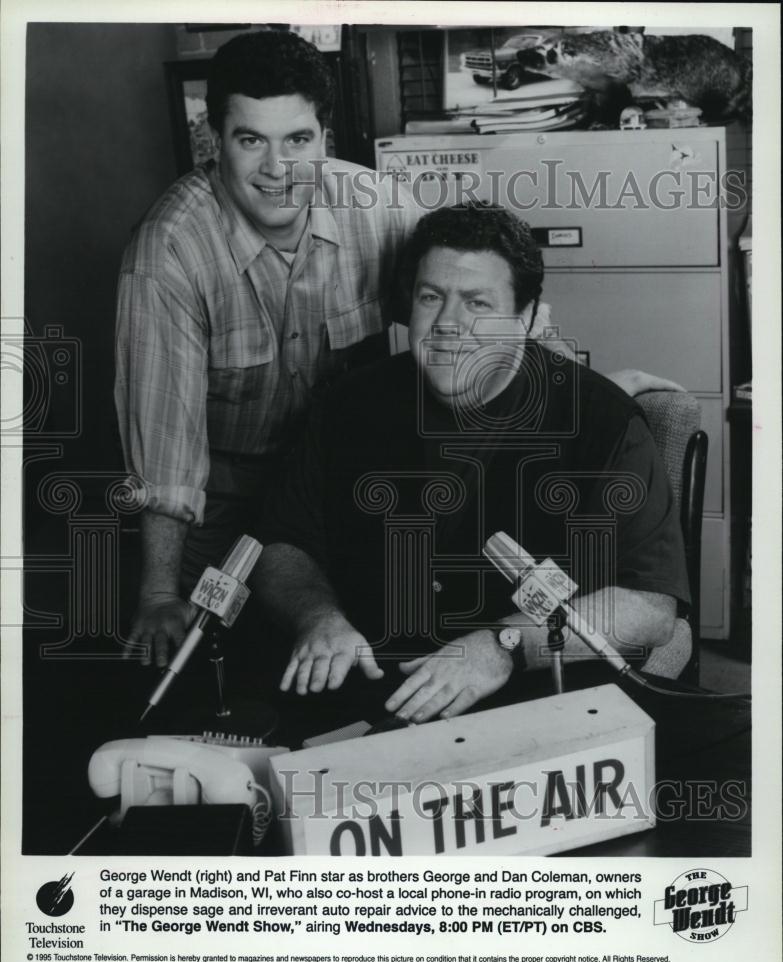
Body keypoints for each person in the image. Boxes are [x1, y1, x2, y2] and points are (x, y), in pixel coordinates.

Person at [115, 28, 680, 672]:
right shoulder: (168, 255)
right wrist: (159, 593)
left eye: (297, 139)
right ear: (215, 141)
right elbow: (165, 452)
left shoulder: (376, 207)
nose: (277, 169)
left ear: (324, 138)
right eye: (251, 140)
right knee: (225, 671)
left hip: (341, 474)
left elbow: (475, 278)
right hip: (219, 499)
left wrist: (579, 392)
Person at [255, 204, 690, 726]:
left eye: (477, 303)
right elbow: (283, 543)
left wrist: (504, 643)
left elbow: (648, 605)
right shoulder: (348, 405)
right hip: (373, 685)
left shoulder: (602, 420)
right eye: (430, 297)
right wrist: (317, 616)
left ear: (527, 316)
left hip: (534, 689)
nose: (447, 326)